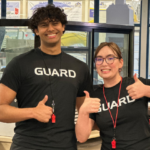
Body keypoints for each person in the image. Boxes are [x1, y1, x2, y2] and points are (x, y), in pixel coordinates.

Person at [0, 4, 92, 150]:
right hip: (27, 145)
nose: (50, 29)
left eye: (55, 23)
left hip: (66, 146)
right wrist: (32, 112)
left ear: (63, 27)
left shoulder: (80, 68)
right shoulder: (19, 63)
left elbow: (84, 113)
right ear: (36, 31)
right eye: (44, 25)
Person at [75, 42, 150, 150]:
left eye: (110, 58)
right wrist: (83, 111)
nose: (104, 63)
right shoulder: (95, 95)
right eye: (99, 59)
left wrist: (147, 90)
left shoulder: (136, 83)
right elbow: (81, 138)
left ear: (120, 62)